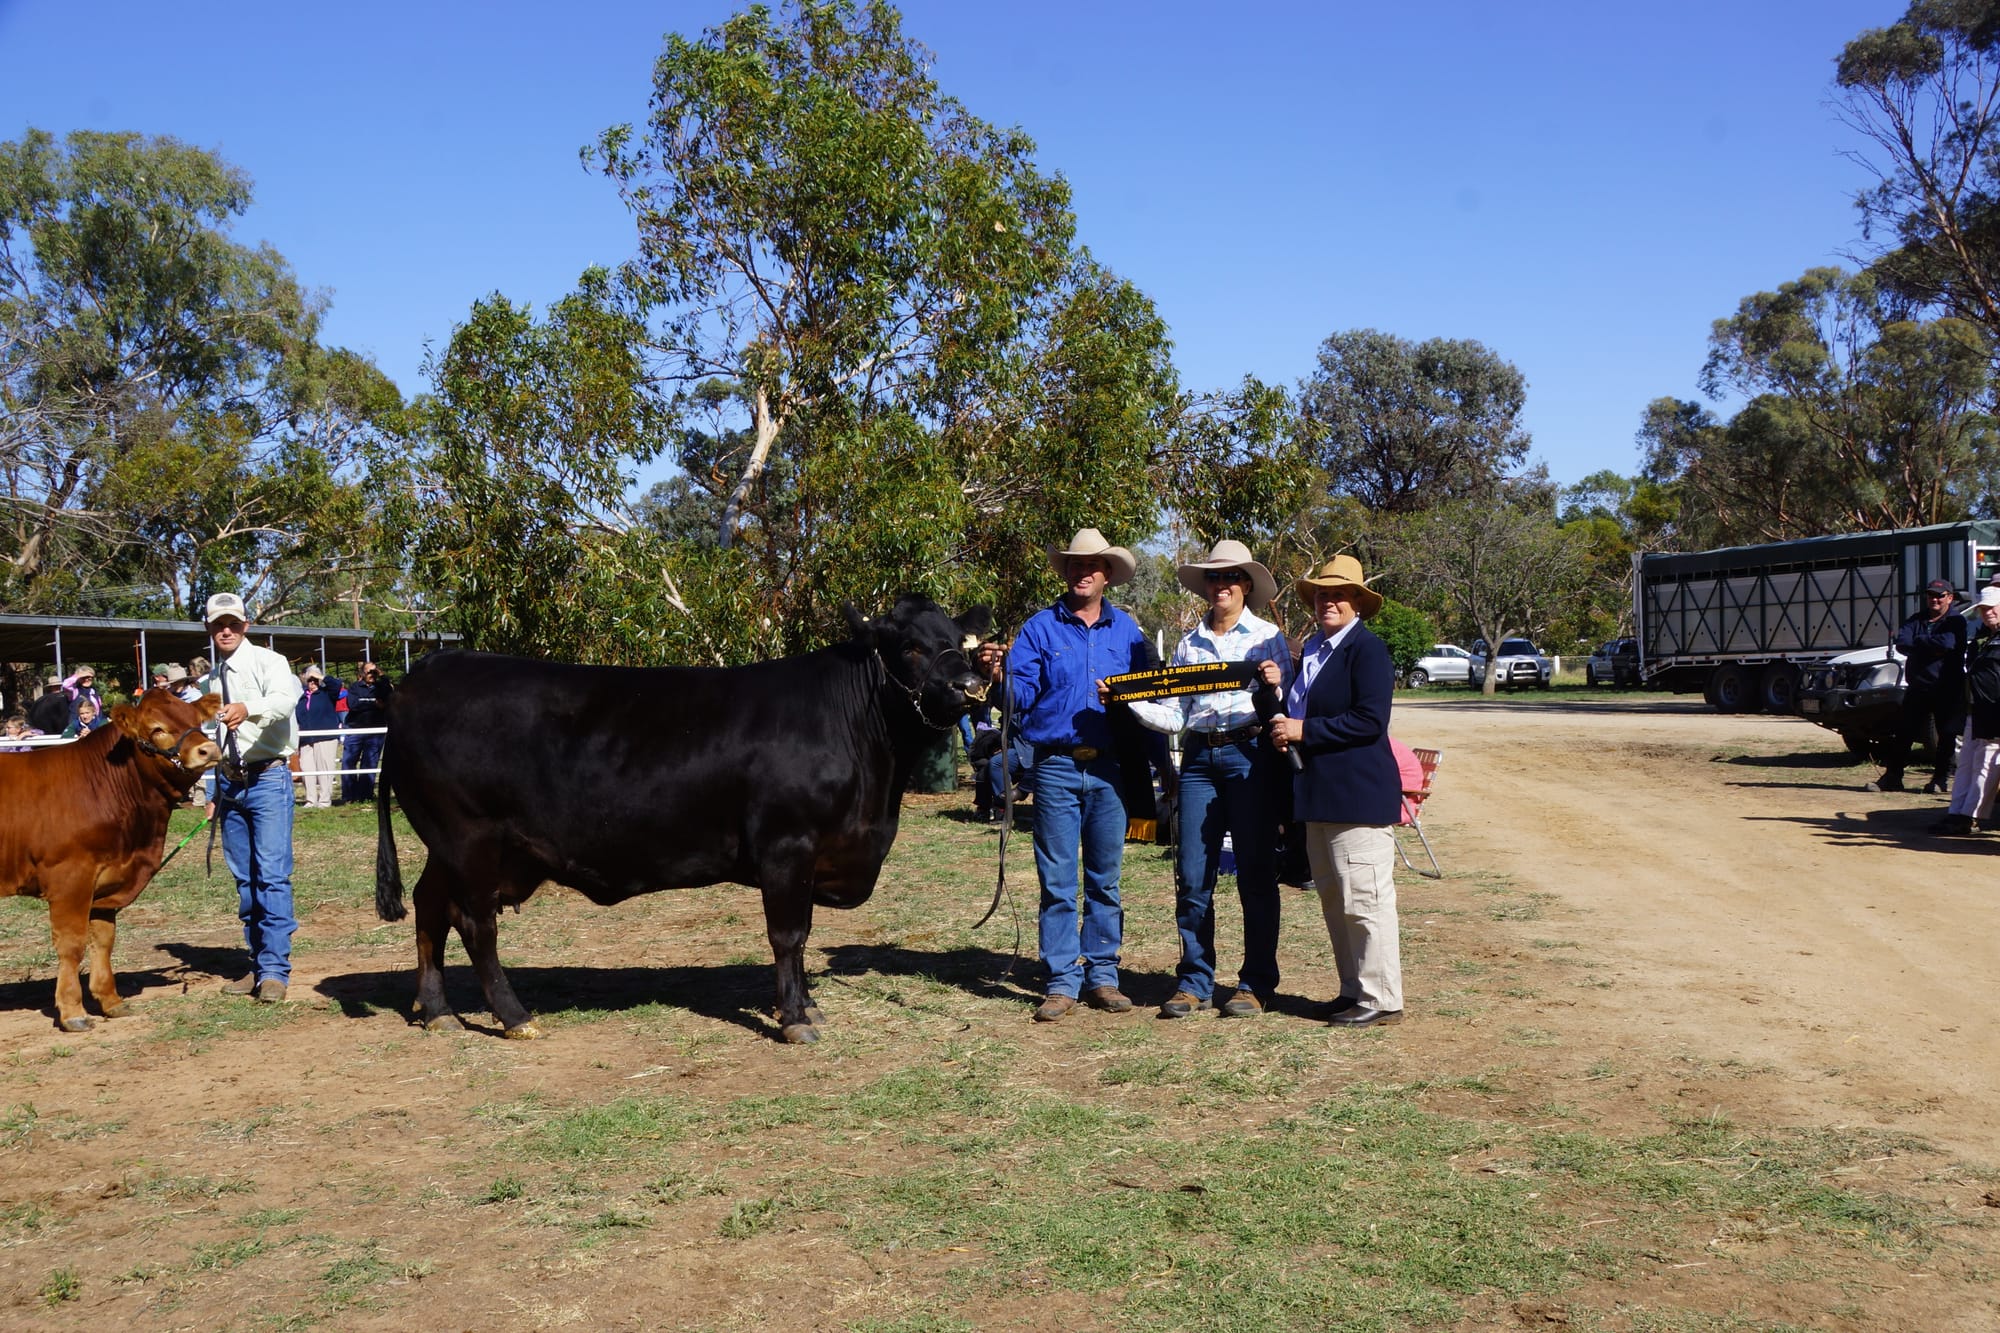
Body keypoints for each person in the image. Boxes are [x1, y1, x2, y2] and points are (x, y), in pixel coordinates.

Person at [1128, 539, 1292, 1020]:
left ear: (1246, 585)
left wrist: (1273, 684)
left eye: (1231, 577)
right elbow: (1177, 715)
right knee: (1193, 875)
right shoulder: (1187, 643)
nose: (1222, 585)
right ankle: (1194, 980)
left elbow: (1280, 705)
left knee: (1256, 875)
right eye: (1214, 578)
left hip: (1251, 753)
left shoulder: (1267, 637)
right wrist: (1128, 701)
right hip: (1199, 758)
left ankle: (1256, 983)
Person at [1009, 527, 1155, 1022]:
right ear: (1065, 572)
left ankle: (1103, 976)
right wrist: (998, 678)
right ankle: (1060, 981)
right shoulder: (1038, 629)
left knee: (1104, 879)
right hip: (1054, 767)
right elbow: (1019, 696)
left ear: (1108, 575)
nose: (1082, 571)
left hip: (1112, 769)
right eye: (1074, 564)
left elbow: (1150, 698)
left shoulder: (1129, 633)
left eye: (1092, 565)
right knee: (1056, 880)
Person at [1259, 555, 1406, 1028]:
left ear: (1359, 602)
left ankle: (1382, 998)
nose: (1329, 600)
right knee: (1337, 901)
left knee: (1365, 902)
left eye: (1340, 593)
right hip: (1318, 797)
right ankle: (1354, 991)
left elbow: (1369, 720)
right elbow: (1304, 714)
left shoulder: (1368, 650)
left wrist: (1304, 731)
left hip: (1357, 797)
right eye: (1322, 593)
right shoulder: (1316, 653)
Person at [202, 591, 303, 1003]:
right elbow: (212, 740)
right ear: (209, 629)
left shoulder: (270, 663)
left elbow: (285, 700)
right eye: (217, 624)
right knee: (245, 880)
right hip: (229, 783)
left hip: (268, 780)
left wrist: (249, 708)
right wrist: (212, 788)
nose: (226, 630)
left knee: (272, 875)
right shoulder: (211, 678)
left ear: (246, 625)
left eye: (233, 623)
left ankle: (276, 972)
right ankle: (258, 964)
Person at [1868, 578, 1968, 794]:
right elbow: (1902, 643)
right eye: (1931, 595)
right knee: (1904, 732)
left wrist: (1919, 642)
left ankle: (1940, 779)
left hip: (1947, 688)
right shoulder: (1917, 619)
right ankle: (1893, 777)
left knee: (1946, 735)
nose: (1935, 599)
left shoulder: (1956, 621)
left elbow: (1948, 644)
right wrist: (1930, 644)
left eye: (1940, 596)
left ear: (1950, 598)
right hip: (1918, 688)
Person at [1935, 586, 2000, 835]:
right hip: (1975, 709)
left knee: (1985, 765)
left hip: (1994, 713)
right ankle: (1955, 812)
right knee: (1966, 763)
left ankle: (1969, 817)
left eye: (1992, 607)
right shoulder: (1985, 637)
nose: (1988, 612)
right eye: (1983, 608)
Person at [341, 660, 392, 803]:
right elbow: (353, 704)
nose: (371, 674)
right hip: (355, 728)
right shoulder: (355, 687)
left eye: (374, 671)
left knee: (369, 763)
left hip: (375, 731)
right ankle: (349, 796)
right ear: (362, 673)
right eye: (368, 671)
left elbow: (389, 699)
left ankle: (365, 795)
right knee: (348, 762)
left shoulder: (382, 687)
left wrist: (382, 675)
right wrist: (374, 703)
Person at [294, 665, 341, 809]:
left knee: (324, 768)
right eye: (309, 680)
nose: (312, 683)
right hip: (306, 740)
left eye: (315, 680)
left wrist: (320, 676)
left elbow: (337, 684)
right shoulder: (301, 698)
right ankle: (311, 800)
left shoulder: (327, 693)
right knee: (307, 768)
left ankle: (325, 800)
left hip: (325, 738)